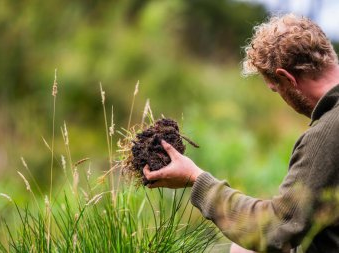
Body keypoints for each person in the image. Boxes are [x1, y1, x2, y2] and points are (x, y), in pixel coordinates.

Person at [143, 14, 339, 253]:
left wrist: (195, 178)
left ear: (287, 78)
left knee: (244, 250)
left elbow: (272, 230)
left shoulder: (327, 134)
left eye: (276, 88)